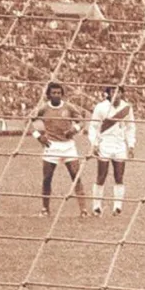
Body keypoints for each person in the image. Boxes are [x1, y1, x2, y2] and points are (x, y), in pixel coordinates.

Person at [29, 82, 88, 217]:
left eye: (59, 93)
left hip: (68, 146)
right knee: (47, 179)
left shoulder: (69, 107)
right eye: (54, 93)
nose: (56, 95)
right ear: (49, 95)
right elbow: (28, 122)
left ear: (62, 94)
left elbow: (82, 121)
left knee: (76, 177)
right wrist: (39, 136)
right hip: (51, 146)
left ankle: (83, 210)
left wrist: (74, 129)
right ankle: (45, 209)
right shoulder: (43, 109)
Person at [88, 85, 136, 216]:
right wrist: (95, 144)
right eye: (112, 91)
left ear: (122, 93)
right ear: (108, 93)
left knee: (119, 176)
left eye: (118, 91)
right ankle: (97, 206)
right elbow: (93, 127)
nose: (115, 94)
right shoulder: (101, 107)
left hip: (120, 144)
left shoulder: (127, 108)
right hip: (104, 143)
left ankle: (117, 207)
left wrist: (131, 145)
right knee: (101, 176)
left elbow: (130, 127)